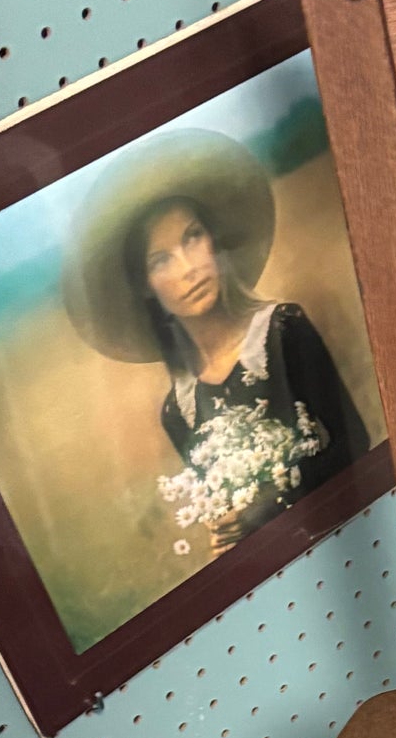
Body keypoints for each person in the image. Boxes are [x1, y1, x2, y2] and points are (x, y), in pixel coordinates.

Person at [63, 127, 368, 555]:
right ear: (146, 285)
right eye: (161, 259)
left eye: (192, 237)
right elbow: (222, 508)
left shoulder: (282, 331)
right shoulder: (179, 410)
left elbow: (355, 444)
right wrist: (224, 536)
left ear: (214, 240)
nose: (189, 267)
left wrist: (265, 509)